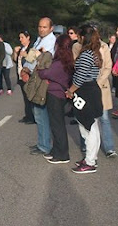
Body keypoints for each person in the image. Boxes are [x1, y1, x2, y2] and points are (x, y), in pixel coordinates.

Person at [65, 25, 104, 174]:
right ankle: (90, 157)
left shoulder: (86, 54)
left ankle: (90, 161)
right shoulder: (93, 52)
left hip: (86, 92)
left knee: (88, 128)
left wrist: (70, 91)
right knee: (91, 127)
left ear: (82, 37)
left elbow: (80, 77)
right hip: (90, 90)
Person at [38, 34, 74, 163]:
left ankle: (62, 154)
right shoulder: (68, 61)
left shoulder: (59, 63)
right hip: (59, 94)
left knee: (57, 125)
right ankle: (56, 150)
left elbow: (44, 73)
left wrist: (40, 67)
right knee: (56, 124)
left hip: (55, 95)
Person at [13, 31, 36, 124]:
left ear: (28, 38)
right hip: (20, 76)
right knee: (25, 98)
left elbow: (34, 61)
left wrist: (26, 55)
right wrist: (15, 52)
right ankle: (28, 115)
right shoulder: (21, 48)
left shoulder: (32, 48)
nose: (20, 40)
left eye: (22, 37)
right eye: (20, 37)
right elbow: (16, 60)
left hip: (28, 76)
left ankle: (32, 117)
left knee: (30, 97)